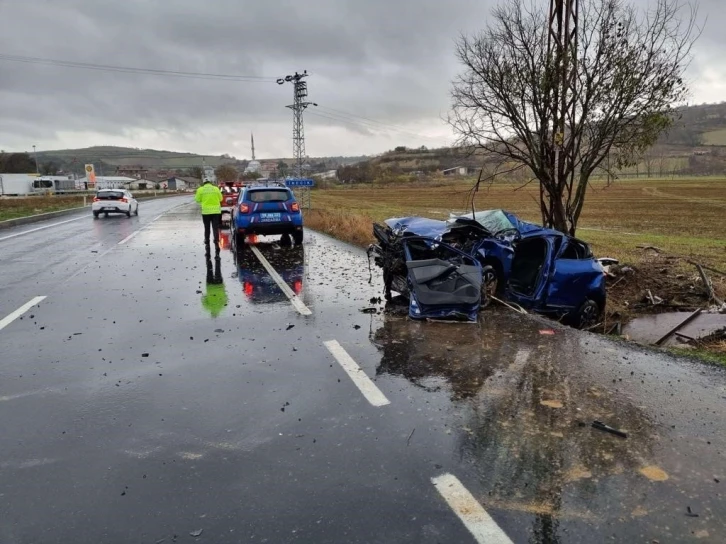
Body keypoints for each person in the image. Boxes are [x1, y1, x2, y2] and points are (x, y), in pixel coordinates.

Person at [194, 179, 223, 254]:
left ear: (204, 183)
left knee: (207, 227)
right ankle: (216, 241)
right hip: (216, 212)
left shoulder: (200, 189)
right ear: (211, 183)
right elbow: (221, 198)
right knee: (215, 227)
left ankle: (207, 241)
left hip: (206, 212)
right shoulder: (216, 189)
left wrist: (204, 200)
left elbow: (197, 200)